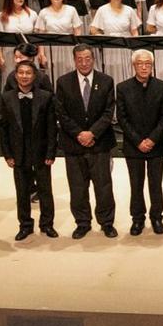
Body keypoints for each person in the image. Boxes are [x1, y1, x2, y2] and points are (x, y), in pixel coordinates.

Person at [55, 44, 117, 239]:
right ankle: (82, 223)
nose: (84, 63)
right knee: (77, 187)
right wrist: (79, 134)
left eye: (87, 58)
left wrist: (92, 133)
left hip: (100, 142)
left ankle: (106, 222)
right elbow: (61, 113)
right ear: (74, 60)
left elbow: (108, 112)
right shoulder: (63, 82)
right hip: (73, 143)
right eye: (79, 59)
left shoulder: (106, 81)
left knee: (103, 186)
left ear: (93, 59)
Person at [0, 61, 58, 240]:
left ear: (34, 76)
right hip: (19, 152)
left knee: (45, 190)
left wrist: (51, 152)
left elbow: (51, 127)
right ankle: (25, 225)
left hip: (41, 151)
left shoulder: (46, 97)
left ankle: (47, 224)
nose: (24, 76)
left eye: (28, 73)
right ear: (15, 75)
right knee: (22, 191)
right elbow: (3, 128)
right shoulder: (6, 97)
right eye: (21, 73)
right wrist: (7, 154)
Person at [115, 49, 163, 236]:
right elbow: (122, 118)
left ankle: (156, 217)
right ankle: (137, 219)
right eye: (140, 63)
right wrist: (138, 141)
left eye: (148, 63)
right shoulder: (123, 87)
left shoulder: (162, 86)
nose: (144, 67)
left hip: (156, 144)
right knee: (136, 184)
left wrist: (152, 139)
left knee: (156, 184)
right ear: (134, 65)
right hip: (133, 145)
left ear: (152, 65)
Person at [36, 0, 83, 85]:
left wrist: (78, 50)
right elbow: (41, 35)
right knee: (52, 75)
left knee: (70, 75)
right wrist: (42, 54)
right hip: (50, 49)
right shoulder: (43, 12)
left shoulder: (71, 10)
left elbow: (77, 31)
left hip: (68, 48)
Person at [0, 0, 38, 89]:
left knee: (29, 78)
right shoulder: (1, 16)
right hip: (10, 54)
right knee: (11, 79)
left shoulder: (32, 14)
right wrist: (0, 57)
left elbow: (37, 35)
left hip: (28, 53)